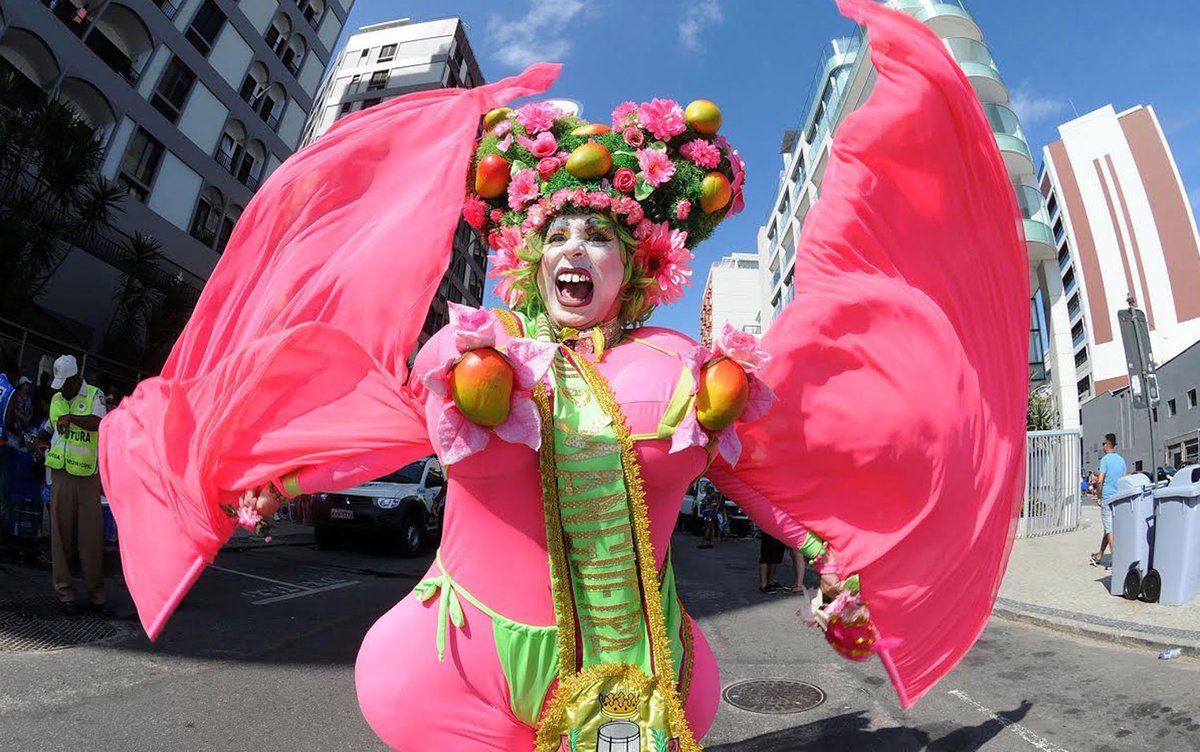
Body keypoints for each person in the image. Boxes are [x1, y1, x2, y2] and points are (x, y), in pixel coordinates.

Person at [100, 2, 1032, 748]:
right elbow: (373, 422)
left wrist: (836, 565)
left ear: (642, 267)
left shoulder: (686, 366)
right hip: (456, 671)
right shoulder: (480, 342)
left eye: (601, 237)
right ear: (529, 255)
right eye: (558, 234)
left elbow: (769, 478)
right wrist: (271, 469)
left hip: (646, 682)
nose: (576, 250)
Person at [35, 355, 111, 616]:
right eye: (60, 384)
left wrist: (72, 419)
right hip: (61, 475)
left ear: (77, 377)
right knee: (60, 536)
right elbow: (49, 428)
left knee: (91, 537)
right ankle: (65, 593)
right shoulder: (57, 399)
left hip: (88, 476)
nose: (63, 389)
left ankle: (96, 594)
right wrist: (38, 443)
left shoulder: (94, 395)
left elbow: (100, 423)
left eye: (66, 383)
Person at [1092, 432, 1127, 568]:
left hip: (1107, 497)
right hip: (1119, 497)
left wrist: (1099, 496)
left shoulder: (1105, 460)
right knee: (1109, 528)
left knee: (1110, 529)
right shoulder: (1121, 460)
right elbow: (1124, 478)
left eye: (1103, 443)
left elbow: (1100, 480)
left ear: (1107, 444)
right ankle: (1099, 555)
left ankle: (1116, 560)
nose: (1103, 446)